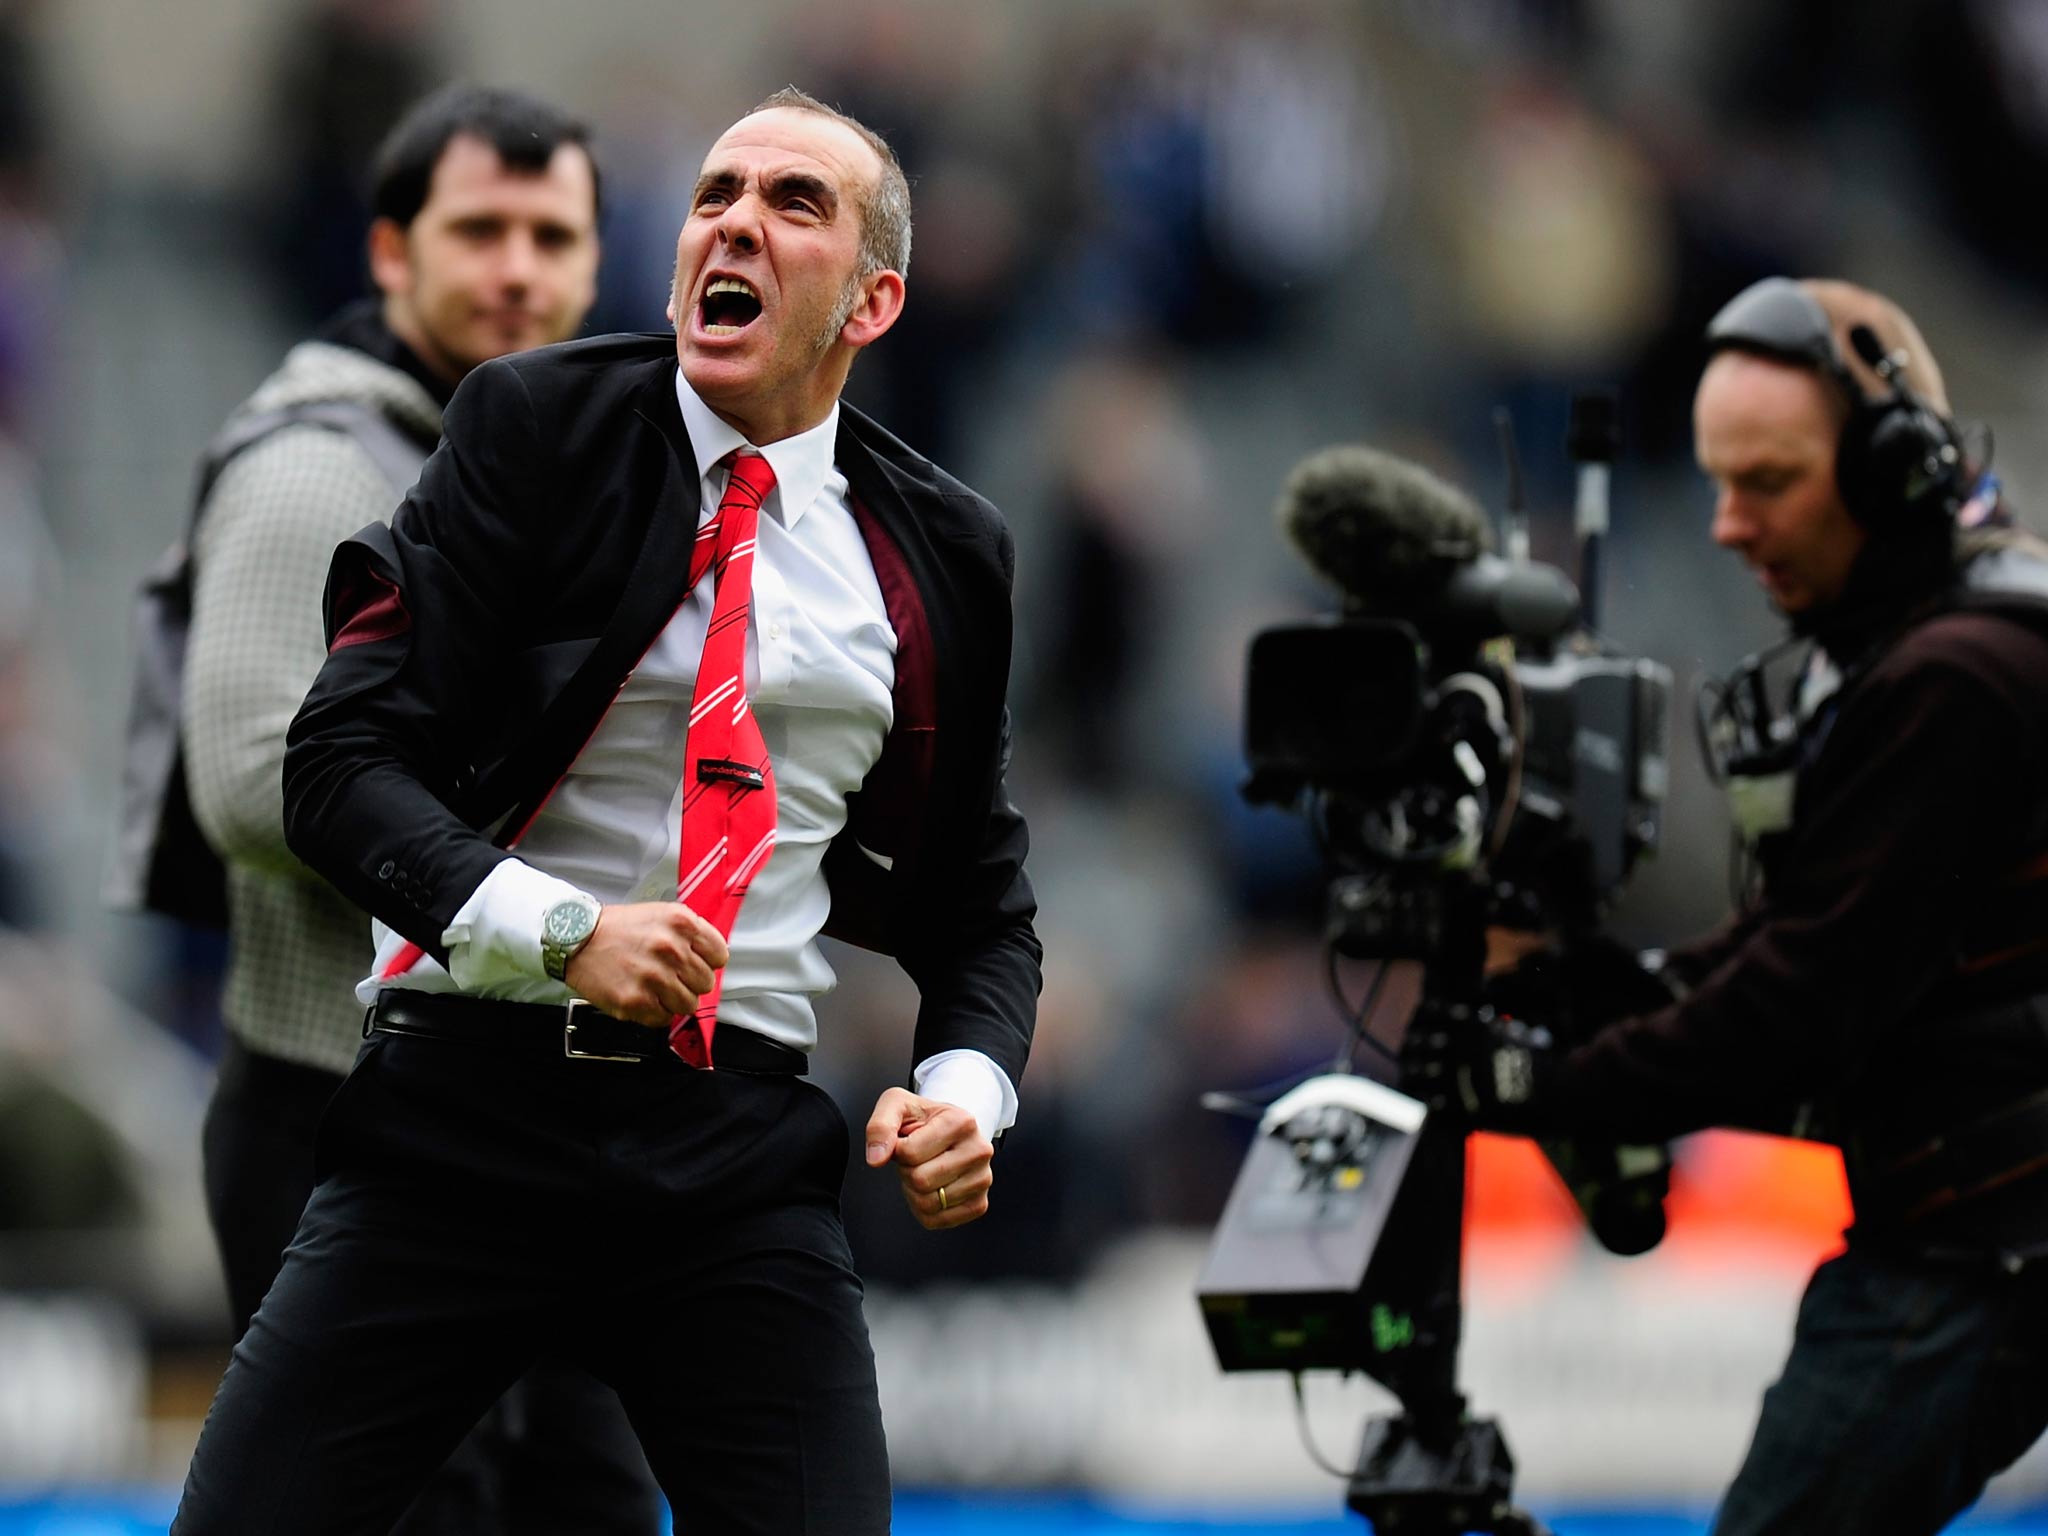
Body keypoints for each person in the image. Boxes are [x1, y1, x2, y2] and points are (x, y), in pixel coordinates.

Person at [171, 86, 1040, 1535]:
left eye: (793, 203)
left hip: (736, 1148)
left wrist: (962, 1099)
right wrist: (563, 932)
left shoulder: (947, 548)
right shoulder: (533, 425)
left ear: (875, 300)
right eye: (715, 194)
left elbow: (981, 910)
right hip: (462, 1114)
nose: (737, 222)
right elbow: (335, 763)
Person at [1411, 277, 2048, 1533]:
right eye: (1714, 480)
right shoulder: (1939, 640)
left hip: (1985, 1252)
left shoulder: (1958, 677)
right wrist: (1609, 1004)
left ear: (1885, 472)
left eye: (1765, 482)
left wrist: (1549, 1085)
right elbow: (1798, 946)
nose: (1723, 524)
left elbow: (1807, 997)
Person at [179, 83, 663, 1533]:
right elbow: (250, 782)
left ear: (593, 260)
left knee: (588, 1503)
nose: (518, 268)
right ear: (392, 253)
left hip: (537, 1109)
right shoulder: (316, 465)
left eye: (551, 234)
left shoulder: (572, 475)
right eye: (479, 230)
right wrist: (519, 864)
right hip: (339, 1103)